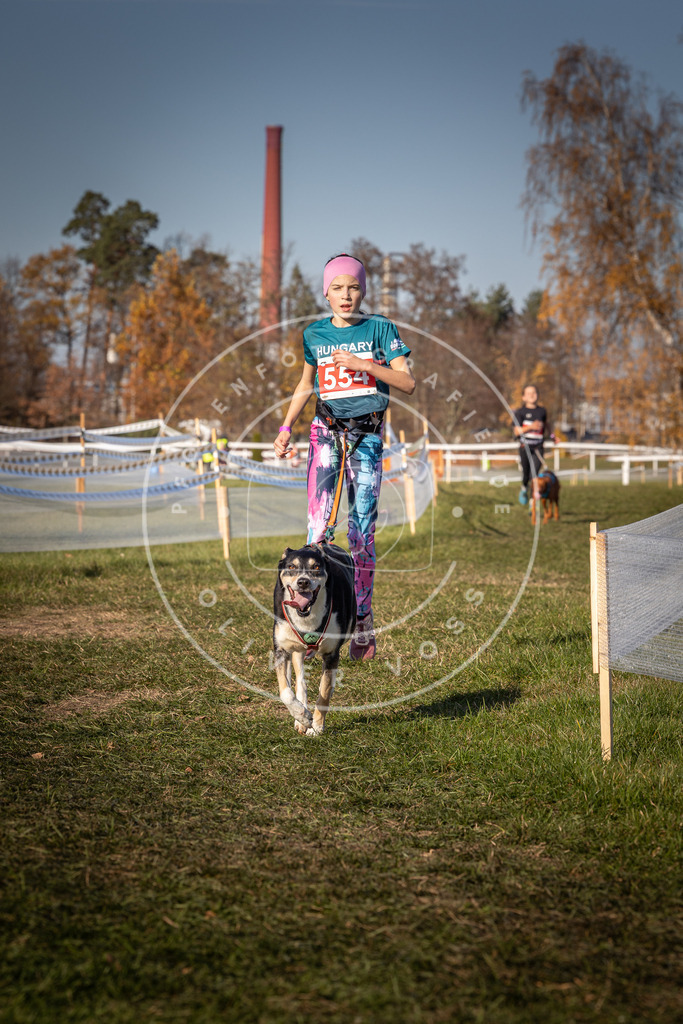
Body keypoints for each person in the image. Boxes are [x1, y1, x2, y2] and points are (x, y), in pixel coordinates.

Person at [273, 253, 416, 660]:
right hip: (325, 433)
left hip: (367, 437)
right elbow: (306, 385)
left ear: (363, 289)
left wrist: (363, 365)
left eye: (353, 286)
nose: (346, 294)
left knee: (361, 537)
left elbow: (407, 382)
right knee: (317, 533)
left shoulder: (381, 328)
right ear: (326, 293)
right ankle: (311, 619)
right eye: (337, 287)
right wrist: (285, 428)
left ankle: (363, 621)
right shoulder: (314, 334)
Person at [512, 384, 549, 504]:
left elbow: (547, 427)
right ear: (523, 397)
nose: (532, 395)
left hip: (538, 448)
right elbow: (516, 431)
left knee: (535, 476)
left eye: (534, 392)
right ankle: (524, 488)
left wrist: (554, 437)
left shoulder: (542, 411)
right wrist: (531, 427)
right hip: (525, 448)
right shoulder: (520, 412)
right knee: (526, 475)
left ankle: (532, 502)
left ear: (537, 395)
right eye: (528, 393)